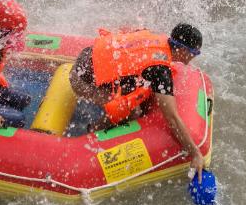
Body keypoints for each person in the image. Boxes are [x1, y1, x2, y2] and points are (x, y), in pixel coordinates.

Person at [68, 24, 206, 178]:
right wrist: (195, 154)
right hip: (81, 81)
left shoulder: (159, 41)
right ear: (184, 50)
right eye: (195, 52)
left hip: (84, 61)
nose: (194, 57)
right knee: (133, 112)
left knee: (137, 96)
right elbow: (172, 119)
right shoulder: (160, 70)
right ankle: (92, 131)